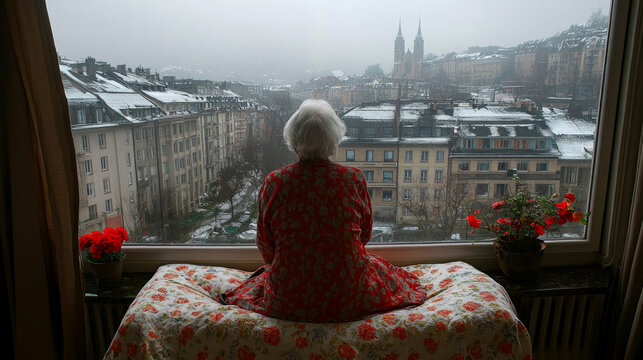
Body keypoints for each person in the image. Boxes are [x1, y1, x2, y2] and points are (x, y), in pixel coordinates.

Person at [218, 99, 427, 322]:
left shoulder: (275, 182)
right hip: (351, 295)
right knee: (378, 267)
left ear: (294, 141)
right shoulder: (353, 179)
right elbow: (363, 237)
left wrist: (293, 262)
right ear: (333, 141)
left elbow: (266, 247)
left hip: (288, 298)